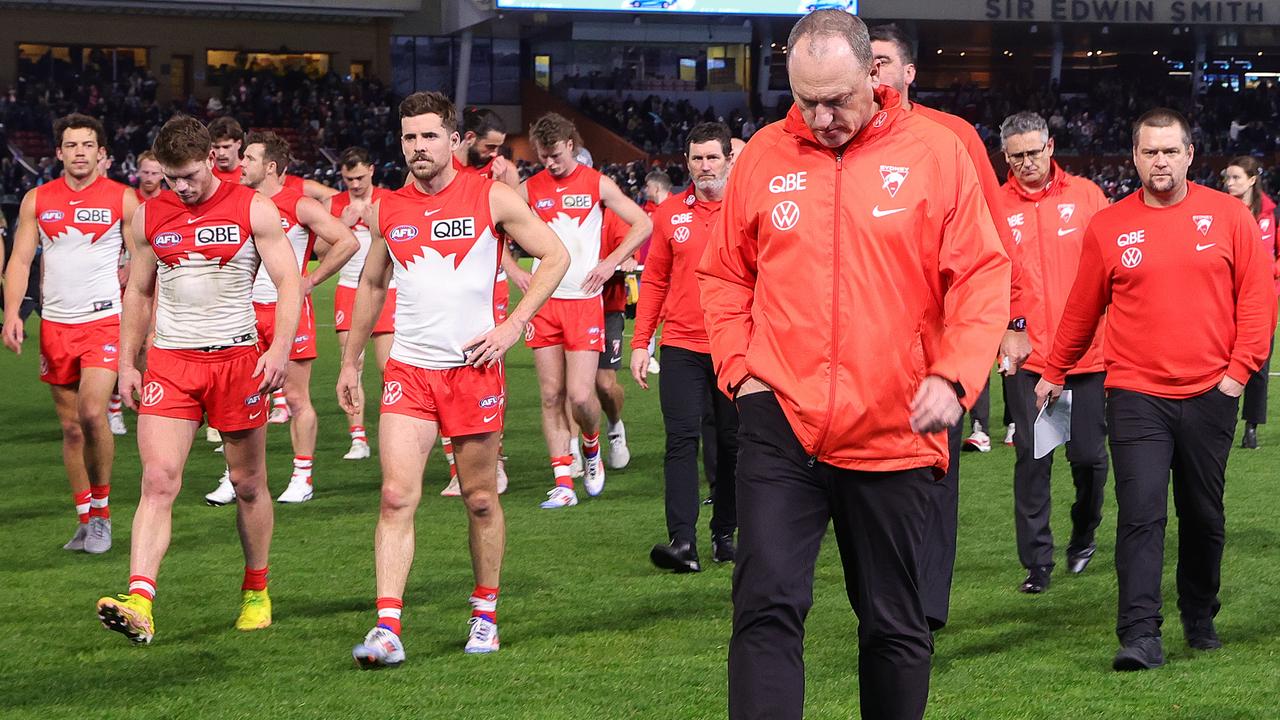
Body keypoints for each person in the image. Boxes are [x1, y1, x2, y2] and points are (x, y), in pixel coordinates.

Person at [698, 11, 1010, 719]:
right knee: (765, 608)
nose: (822, 115)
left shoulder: (939, 151)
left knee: (895, 623)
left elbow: (983, 275)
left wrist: (955, 374)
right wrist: (740, 370)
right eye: (806, 99)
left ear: (875, 73)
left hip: (897, 425)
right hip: (782, 419)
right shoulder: (762, 157)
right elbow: (722, 276)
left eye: (836, 97)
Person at [1036, 108, 1274, 671]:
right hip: (1137, 393)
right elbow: (1081, 308)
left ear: (1191, 155)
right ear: (1135, 157)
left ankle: (1199, 612)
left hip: (1210, 395)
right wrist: (1053, 370)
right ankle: (1140, 634)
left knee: (1203, 517)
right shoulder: (1109, 226)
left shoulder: (1228, 217)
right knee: (1140, 514)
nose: (1160, 161)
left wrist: (1236, 376)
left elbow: (1258, 303)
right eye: (1149, 151)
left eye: (1170, 150)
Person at [340, 91, 569, 666]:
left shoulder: (490, 196)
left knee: (481, 500)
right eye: (409, 137)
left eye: (429, 136)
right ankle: (387, 628)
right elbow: (371, 285)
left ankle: (485, 613)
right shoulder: (387, 208)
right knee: (395, 496)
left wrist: (515, 324)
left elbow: (556, 255)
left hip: (474, 371)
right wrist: (350, 361)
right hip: (410, 371)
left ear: (453, 140)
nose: (419, 147)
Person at [96, 114, 303, 643]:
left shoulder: (253, 207)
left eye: (189, 175)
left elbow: (288, 283)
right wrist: (126, 363)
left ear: (212, 158)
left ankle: (256, 589)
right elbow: (138, 293)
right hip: (171, 362)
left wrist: (278, 349)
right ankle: (140, 598)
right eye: (172, 178)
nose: (181, 187)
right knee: (158, 480)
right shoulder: (148, 217)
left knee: (248, 484)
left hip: (237, 361)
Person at [869, 21, 1030, 632]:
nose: (875, 72)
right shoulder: (841, 137)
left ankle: (926, 606)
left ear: (908, 72)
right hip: (861, 341)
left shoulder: (953, 136)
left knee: (936, 472)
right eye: (869, 62)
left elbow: (993, 239)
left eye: (883, 61)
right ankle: (885, 594)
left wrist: (1010, 320)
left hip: (936, 340)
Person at [3, 113, 139, 554]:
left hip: (102, 321)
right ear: (58, 152)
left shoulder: (124, 199)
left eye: (87, 145)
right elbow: (21, 261)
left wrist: (133, 286)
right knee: (71, 429)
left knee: (93, 414)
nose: (79, 152)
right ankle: (84, 519)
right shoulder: (37, 199)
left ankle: (103, 514)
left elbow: (143, 257)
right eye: (71, 145)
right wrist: (12, 314)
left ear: (102, 153)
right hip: (55, 325)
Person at [204, 131, 358, 506]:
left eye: (250, 158)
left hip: (287, 313)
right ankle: (233, 476)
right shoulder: (238, 202)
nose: (242, 164)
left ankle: (302, 476)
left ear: (270, 167)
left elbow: (347, 241)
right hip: (242, 314)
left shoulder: (299, 204)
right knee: (234, 398)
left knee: (295, 397)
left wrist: (309, 282)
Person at [995, 111, 1111, 594]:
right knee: (1034, 459)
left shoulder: (1087, 196)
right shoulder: (992, 207)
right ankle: (1037, 562)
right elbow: (986, 278)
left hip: (1089, 356)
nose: (1026, 163)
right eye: (1016, 156)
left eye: (1033, 152)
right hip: (1031, 360)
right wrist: (1007, 328)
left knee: (1087, 458)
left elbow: (1112, 269)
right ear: (1006, 157)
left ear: (1050, 147)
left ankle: (1084, 533)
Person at [515, 112, 651, 509]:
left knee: (579, 396)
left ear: (571, 145)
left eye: (555, 154)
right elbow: (494, 230)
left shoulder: (597, 183)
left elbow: (642, 223)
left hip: (583, 304)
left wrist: (611, 262)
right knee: (549, 395)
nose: (549, 163)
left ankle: (591, 447)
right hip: (544, 304)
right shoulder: (529, 189)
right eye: (543, 156)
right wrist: (515, 271)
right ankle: (562, 481)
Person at [632, 121, 737, 573]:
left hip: (736, 346)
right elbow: (654, 280)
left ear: (729, 160)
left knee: (734, 445)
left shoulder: (747, 209)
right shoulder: (669, 213)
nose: (704, 166)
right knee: (680, 441)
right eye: (697, 158)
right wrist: (641, 343)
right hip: (680, 345)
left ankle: (725, 534)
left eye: (713, 157)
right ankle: (683, 543)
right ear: (687, 162)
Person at [439, 106, 521, 496]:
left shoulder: (496, 176)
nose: (495, 156)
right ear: (468, 139)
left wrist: (512, 181)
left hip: (489, 290)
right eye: (490, 147)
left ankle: (495, 462)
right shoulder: (440, 175)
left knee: (484, 370)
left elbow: (518, 227)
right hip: (439, 288)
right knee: (437, 371)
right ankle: (456, 465)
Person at [327, 146, 394, 461]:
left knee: (389, 368)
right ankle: (358, 439)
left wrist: (373, 225)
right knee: (351, 364)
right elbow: (320, 258)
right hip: (349, 291)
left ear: (372, 169)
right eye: (348, 178)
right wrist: (340, 224)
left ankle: (394, 433)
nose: (354, 184)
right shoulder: (335, 206)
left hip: (386, 289)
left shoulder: (388, 201)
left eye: (359, 177)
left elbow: (401, 246)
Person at [1220, 156, 1278, 449]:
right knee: (1221, 362)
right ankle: (1219, 422)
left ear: (1252, 179)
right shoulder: (1218, 213)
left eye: (1236, 178)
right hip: (1225, 299)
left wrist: (1271, 272)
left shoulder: (1271, 214)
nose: (1230, 184)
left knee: (1259, 368)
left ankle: (1251, 428)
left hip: (1262, 302)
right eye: (1227, 179)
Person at [207, 116, 245, 185]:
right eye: (216, 147)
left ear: (239, 144)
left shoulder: (251, 173)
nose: (221, 153)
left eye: (226, 147)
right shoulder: (204, 175)